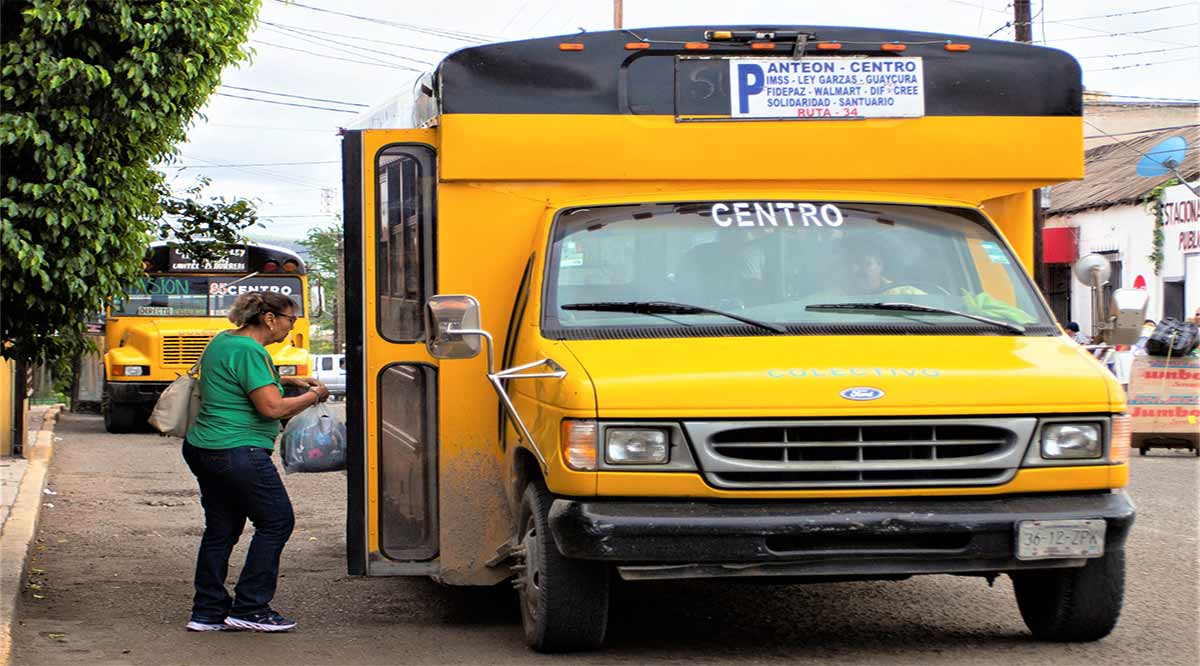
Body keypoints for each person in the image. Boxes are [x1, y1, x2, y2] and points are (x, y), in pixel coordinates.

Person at [182, 291, 329, 633]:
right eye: (291, 320)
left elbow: (235, 380)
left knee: (221, 530)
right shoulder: (252, 351)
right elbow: (272, 408)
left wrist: (289, 380)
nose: (291, 329)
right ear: (269, 319)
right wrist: (314, 396)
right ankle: (251, 606)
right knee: (277, 522)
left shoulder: (224, 341)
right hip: (238, 451)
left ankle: (206, 613)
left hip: (204, 448)